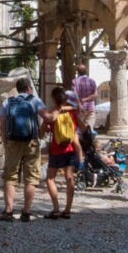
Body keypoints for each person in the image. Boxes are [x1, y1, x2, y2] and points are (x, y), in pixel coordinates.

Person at [0, 77, 49, 222]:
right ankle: (26, 212)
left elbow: (2, 125)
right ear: (29, 88)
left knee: (10, 177)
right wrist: (41, 132)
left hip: (13, 142)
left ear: (17, 89)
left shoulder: (7, 102)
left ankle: (8, 211)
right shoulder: (35, 100)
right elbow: (47, 117)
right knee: (31, 178)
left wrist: (5, 142)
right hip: (32, 142)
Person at [43, 86, 82, 220]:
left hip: (57, 150)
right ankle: (68, 210)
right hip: (71, 150)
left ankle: (56, 209)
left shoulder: (53, 113)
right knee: (70, 178)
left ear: (54, 98)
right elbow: (81, 127)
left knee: (50, 179)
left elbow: (42, 131)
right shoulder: (72, 113)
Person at [70, 64, 98, 131]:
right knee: (89, 130)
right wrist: (86, 99)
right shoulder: (92, 81)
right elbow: (95, 95)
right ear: (86, 71)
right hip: (91, 109)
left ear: (77, 72)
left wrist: (80, 104)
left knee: (79, 130)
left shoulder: (74, 81)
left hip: (79, 109)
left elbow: (75, 95)